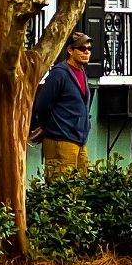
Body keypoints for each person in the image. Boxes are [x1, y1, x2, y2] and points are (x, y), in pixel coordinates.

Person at [31, 31, 94, 175]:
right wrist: (48, 126)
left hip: (79, 139)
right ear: (70, 50)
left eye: (89, 49)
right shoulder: (59, 73)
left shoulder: (81, 72)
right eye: (82, 48)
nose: (86, 52)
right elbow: (42, 106)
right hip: (61, 138)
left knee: (83, 182)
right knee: (62, 182)